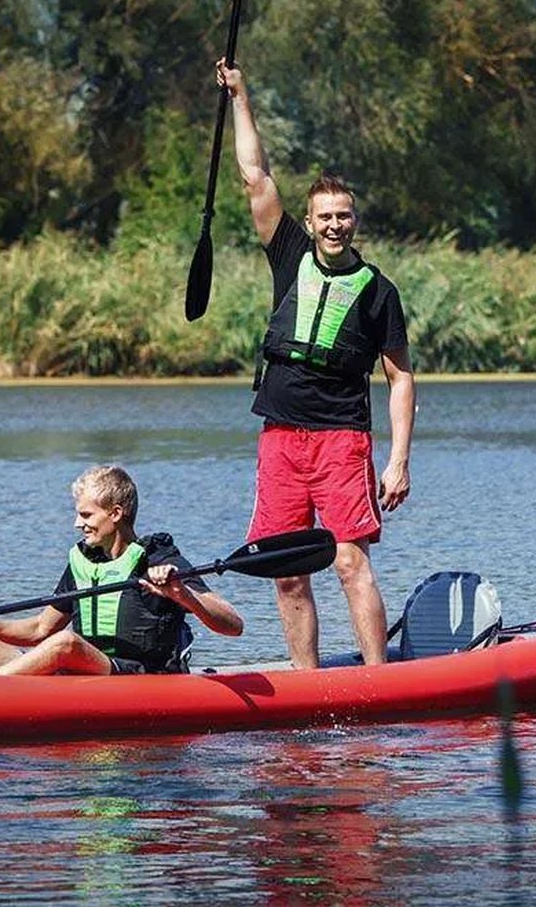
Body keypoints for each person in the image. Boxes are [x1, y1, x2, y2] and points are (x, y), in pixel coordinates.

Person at [217, 57, 416, 669]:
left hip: (341, 439)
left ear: (354, 221)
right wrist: (240, 95)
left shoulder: (378, 290)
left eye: (343, 215)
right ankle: (307, 685)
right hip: (280, 436)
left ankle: (378, 682)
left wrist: (398, 460)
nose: (334, 224)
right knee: (285, 571)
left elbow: (400, 377)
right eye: (324, 216)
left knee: (349, 560)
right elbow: (255, 174)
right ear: (309, 222)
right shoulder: (288, 253)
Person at [0, 465, 243, 675]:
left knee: (67, 644)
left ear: (115, 513)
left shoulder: (157, 556)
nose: (78, 523)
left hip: (135, 678)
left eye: (86, 515)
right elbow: (39, 630)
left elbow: (233, 625)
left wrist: (182, 594)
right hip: (81, 671)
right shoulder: (83, 559)